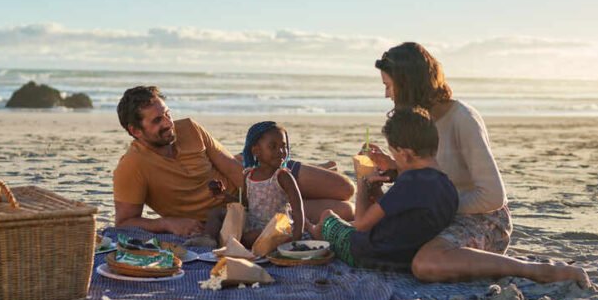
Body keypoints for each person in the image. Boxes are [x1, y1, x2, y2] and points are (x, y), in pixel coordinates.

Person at [368, 43, 590, 287]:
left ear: (408, 84)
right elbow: (431, 179)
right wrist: (393, 170)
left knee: (426, 264)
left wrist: (435, 208)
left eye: (389, 86)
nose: (387, 95)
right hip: (439, 216)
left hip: (483, 219)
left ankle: (536, 270)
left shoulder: (462, 118)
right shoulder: (417, 122)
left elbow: (492, 196)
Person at [112, 86, 354, 237]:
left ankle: (303, 171)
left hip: (257, 176)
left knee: (346, 188)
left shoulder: (189, 128)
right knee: (346, 209)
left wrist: (272, 185)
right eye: (157, 121)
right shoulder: (131, 167)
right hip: (236, 212)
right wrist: (167, 223)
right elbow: (123, 222)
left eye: (167, 114)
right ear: (135, 131)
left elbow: (231, 166)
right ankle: (312, 172)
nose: (167, 123)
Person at [315, 107, 458, 271]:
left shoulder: (408, 184)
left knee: (328, 217)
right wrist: (377, 190)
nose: (393, 160)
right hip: (403, 256)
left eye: (393, 154)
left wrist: (363, 184)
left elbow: (361, 225)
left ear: (404, 154)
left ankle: (313, 230)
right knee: (348, 222)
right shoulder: (447, 186)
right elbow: (399, 214)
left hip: (367, 254)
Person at [240, 121, 304, 247]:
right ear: (256, 151)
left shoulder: (282, 176)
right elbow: (245, 205)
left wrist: (296, 239)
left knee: (249, 239)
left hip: (279, 229)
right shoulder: (248, 176)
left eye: (284, 146)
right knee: (219, 216)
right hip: (255, 228)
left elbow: (298, 210)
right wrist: (223, 196)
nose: (281, 151)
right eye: (273, 147)